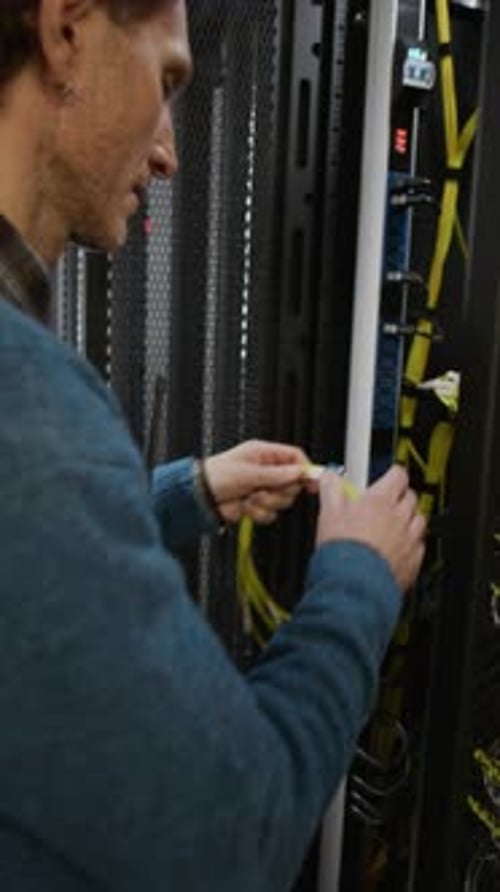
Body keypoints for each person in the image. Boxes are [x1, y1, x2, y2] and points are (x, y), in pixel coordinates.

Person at [0, 2, 426, 890]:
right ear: (67, 27)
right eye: (166, 83)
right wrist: (358, 584)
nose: (167, 153)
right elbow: (233, 843)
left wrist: (181, 493)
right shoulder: (31, 404)